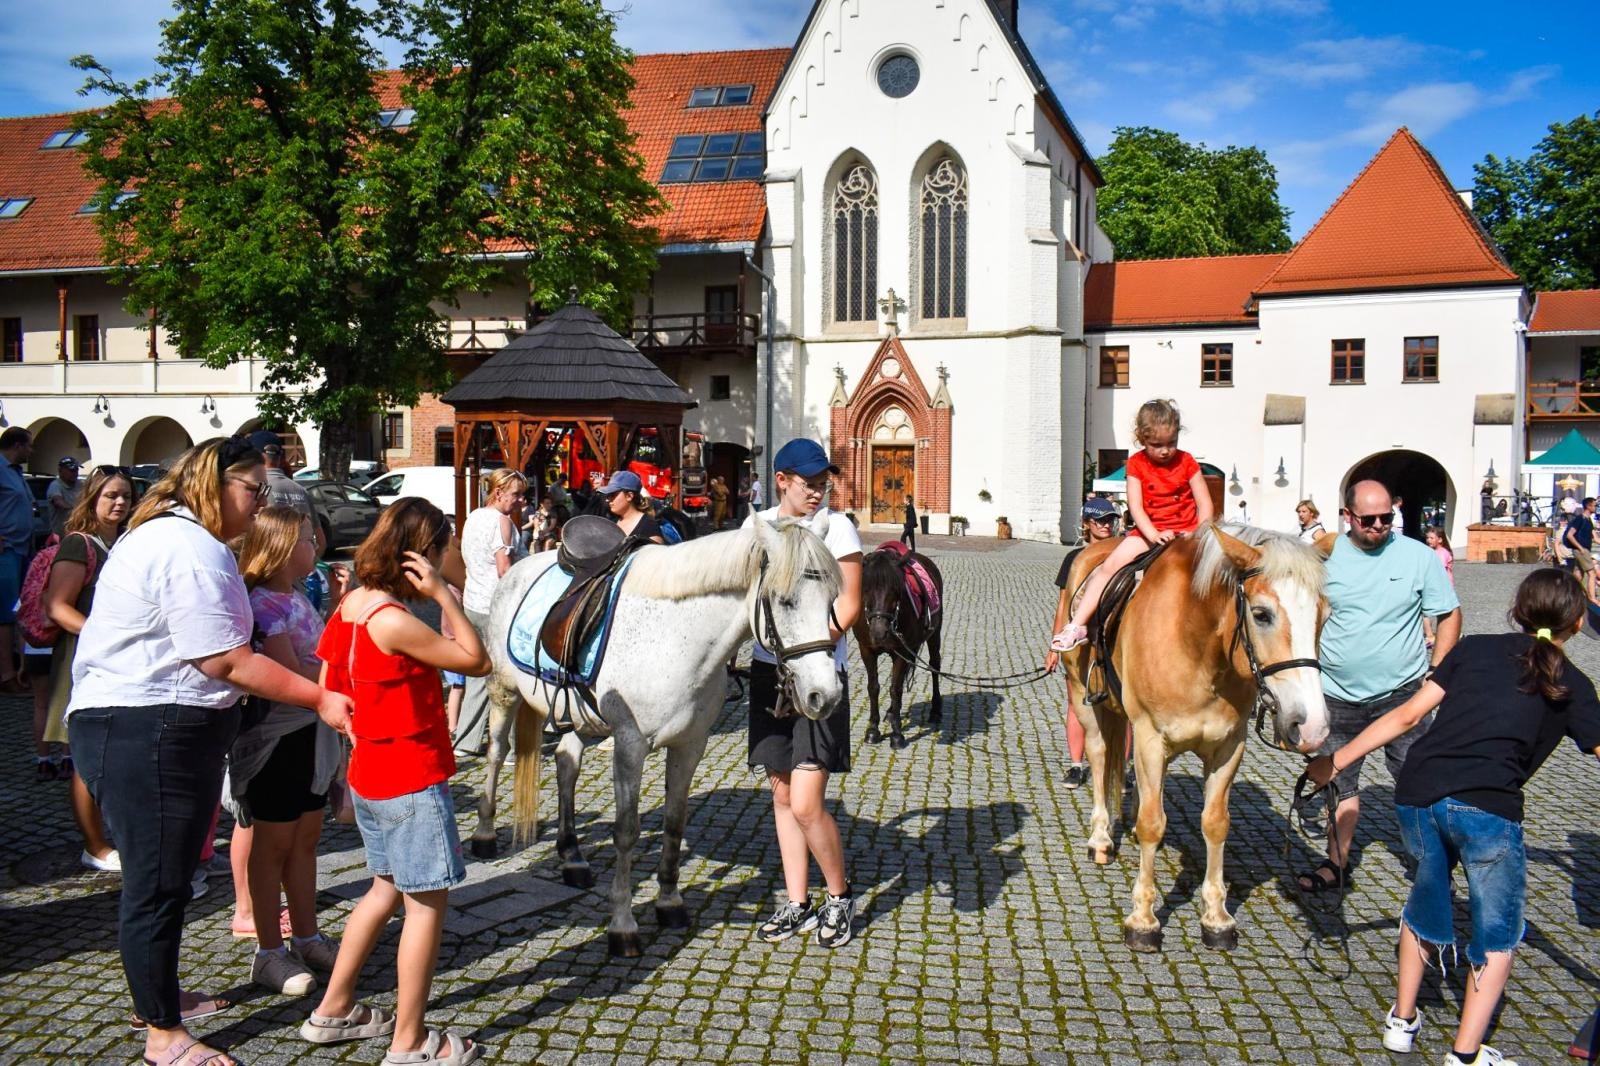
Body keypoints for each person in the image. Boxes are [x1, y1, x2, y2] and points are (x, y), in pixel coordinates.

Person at [64, 436, 354, 1066]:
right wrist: (321, 700)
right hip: (148, 728)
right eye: (253, 489)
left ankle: (158, 998)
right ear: (213, 483)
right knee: (159, 884)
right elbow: (224, 658)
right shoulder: (188, 546)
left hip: (158, 727)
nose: (258, 506)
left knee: (166, 879)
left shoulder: (186, 540)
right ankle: (163, 1036)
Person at [1306, 568, 1600, 1066]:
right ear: (1576, 622)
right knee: (1498, 933)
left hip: (1418, 795)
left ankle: (1401, 1020)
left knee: (1426, 897)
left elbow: (1406, 716)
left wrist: (1334, 761)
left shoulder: (1473, 649)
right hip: (1488, 808)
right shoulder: (1572, 682)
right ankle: (1465, 1054)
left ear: (1518, 610)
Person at [301, 498, 489, 1063]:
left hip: (370, 775)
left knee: (382, 889)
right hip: (409, 775)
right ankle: (409, 1041)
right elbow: (474, 660)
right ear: (422, 553)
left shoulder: (352, 605)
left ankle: (333, 1008)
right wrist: (443, 596)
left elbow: (331, 687)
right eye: (443, 546)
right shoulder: (396, 620)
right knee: (425, 906)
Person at [1296, 478, 1462, 894]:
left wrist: (1438, 666)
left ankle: (1432, 863)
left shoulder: (1418, 556)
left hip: (1403, 693)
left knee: (1418, 779)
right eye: (1368, 518)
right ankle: (1336, 863)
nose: (1378, 525)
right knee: (1338, 780)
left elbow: (1449, 612)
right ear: (1347, 516)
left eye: (1387, 517)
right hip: (1336, 692)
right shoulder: (1322, 560)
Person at [744, 438, 863, 948]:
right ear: (782, 480)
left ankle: (839, 897)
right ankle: (797, 902)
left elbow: (851, 604)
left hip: (816, 676)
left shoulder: (838, 529)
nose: (817, 492)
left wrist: (809, 649)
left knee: (808, 804)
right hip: (769, 676)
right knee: (782, 797)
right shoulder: (757, 529)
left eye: (823, 483)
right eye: (808, 483)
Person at [230, 508, 344, 997]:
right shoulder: (262, 604)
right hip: (276, 740)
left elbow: (316, 656)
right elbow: (291, 674)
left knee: (305, 839)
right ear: (278, 548)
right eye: (304, 540)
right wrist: (335, 673)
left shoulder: (295, 596)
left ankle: (307, 934)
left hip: (311, 732)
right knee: (272, 846)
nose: (313, 546)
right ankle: (269, 951)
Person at [1051, 399, 1213, 652]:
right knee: (1109, 567)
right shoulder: (1137, 464)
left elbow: (1205, 503)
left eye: (1171, 443)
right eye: (1156, 445)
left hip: (1190, 531)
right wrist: (1153, 534)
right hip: (1150, 531)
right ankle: (1078, 625)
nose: (1165, 451)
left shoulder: (1188, 461)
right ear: (1142, 439)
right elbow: (1136, 507)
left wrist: (1198, 531)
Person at [41, 466, 132, 871]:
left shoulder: (124, 543)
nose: (119, 503)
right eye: (111, 495)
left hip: (113, 657)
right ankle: (93, 845)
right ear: (92, 497)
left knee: (111, 750)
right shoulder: (80, 544)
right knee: (85, 753)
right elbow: (57, 605)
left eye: (126, 496)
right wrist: (101, 634)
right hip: (81, 655)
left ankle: (113, 836)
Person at [1044, 496, 1119, 788]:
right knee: (1076, 703)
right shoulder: (1074, 558)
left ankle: (1120, 767)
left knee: (1120, 707)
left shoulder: (1124, 551)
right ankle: (1076, 764)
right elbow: (1063, 604)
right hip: (1078, 639)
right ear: (1086, 524)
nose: (1106, 525)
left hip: (1115, 638)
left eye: (1110, 519)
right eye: (1100, 520)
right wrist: (1054, 644)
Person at [454, 468, 527, 756]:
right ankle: (506, 746)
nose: (521, 500)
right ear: (498, 493)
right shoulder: (501, 522)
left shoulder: (473, 516)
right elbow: (503, 569)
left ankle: (466, 740)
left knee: (477, 673)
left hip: (473, 602)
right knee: (507, 677)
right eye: (516, 494)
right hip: (495, 608)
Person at [250, 429, 327, 557]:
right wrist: (305, 569)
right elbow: (321, 542)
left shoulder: (252, 488)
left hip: (266, 570)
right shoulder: (301, 490)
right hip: (299, 569)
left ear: (253, 456)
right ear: (280, 457)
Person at [0, 426, 35, 693]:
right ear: (17, 445)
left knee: (19, 611)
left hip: (23, 549)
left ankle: (19, 669)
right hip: (6, 551)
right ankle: (6, 675)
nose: (31, 451)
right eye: (29, 446)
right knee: (5, 615)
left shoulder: (16, 472)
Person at [599, 470, 666, 544]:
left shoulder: (649, 526)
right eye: (608, 495)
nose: (608, 500)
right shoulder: (612, 522)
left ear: (629, 496)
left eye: (613, 494)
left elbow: (656, 553)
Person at [1565, 497, 1597, 600]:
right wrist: (1580, 548)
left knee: (1578, 575)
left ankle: (1569, 595)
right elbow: (1569, 535)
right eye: (1595, 505)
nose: (1596, 507)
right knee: (1592, 574)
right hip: (1582, 550)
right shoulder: (1579, 519)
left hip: (1584, 550)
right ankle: (1592, 598)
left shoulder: (1588, 520)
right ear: (1588, 506)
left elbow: (1596, 538)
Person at [45, 456, 81, 538]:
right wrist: (79, 511)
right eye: (71, 470)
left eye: (76, 470)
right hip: (60, 536)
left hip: (78, 533)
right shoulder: (55, 485)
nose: (75, 473)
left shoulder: (81, 485)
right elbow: (59, 502)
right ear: (60, 471)